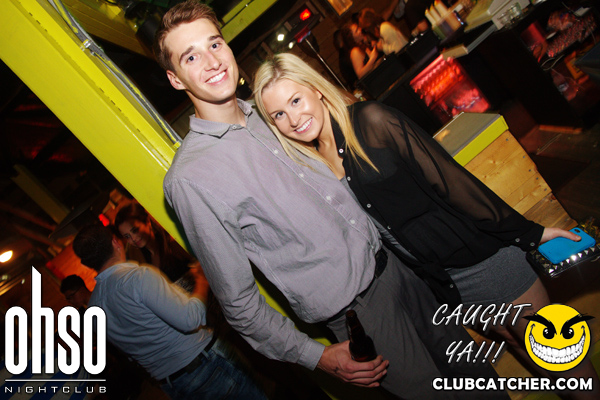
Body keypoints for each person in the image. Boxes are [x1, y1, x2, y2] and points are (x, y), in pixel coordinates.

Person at [155, 2, 508, 398]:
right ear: (175, 79)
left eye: (214, 44)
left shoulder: (271, 114)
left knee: (479, 378)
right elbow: (239, 303)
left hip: (401, 269)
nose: (212, 62)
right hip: (362, 315)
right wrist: (315, 356)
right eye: (191, 57)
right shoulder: (191, 178)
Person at [253, 52, 600, 399]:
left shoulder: (370, 121)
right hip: (444, 282)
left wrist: (530, 233)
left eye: (296, 100)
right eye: (278, 114)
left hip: (482, 258)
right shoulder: (316, 162)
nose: (293, 119)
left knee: (557, 352)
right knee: (517, 342)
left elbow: (452, 183)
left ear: (316, 89)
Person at [72, 223, 267, 400]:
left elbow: (131, 353)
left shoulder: (94, 309)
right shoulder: (136, 277)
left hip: (172, 384)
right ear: (116, 242)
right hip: (204, 366)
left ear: (87, 264)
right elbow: (190, 319)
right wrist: (201, 280)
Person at [115, 201, 209, 299]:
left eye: (135, 230)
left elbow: (203, 263)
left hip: (206, 300)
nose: (133, 238)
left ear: (147, 221)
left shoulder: (171, 242)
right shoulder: (140, 260)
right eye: (127, 236)